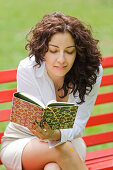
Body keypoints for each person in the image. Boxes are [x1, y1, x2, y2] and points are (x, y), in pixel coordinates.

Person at [0, 12, 103, 170]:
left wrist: (56, 135)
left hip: (69, 141)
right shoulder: (29, 69)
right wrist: (51, 135)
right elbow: (31, 123)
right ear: (43, 50)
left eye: (69, 51)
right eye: (54, 50)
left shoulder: (90, 72)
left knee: (53, 167)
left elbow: (79, 125)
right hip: (23, 141)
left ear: (79, 52)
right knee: (60, 149)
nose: (61, 59)